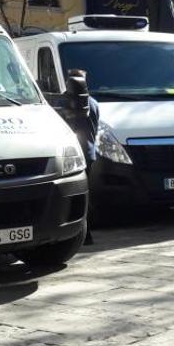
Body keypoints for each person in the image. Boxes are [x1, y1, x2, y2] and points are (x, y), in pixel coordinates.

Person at [65, 69, 99, 245]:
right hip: (90, 151)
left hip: (76, 154)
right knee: (88, 193)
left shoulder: (69, 103)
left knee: (77, 194)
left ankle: (82, 233)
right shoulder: (93, 103)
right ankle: (88, 233)